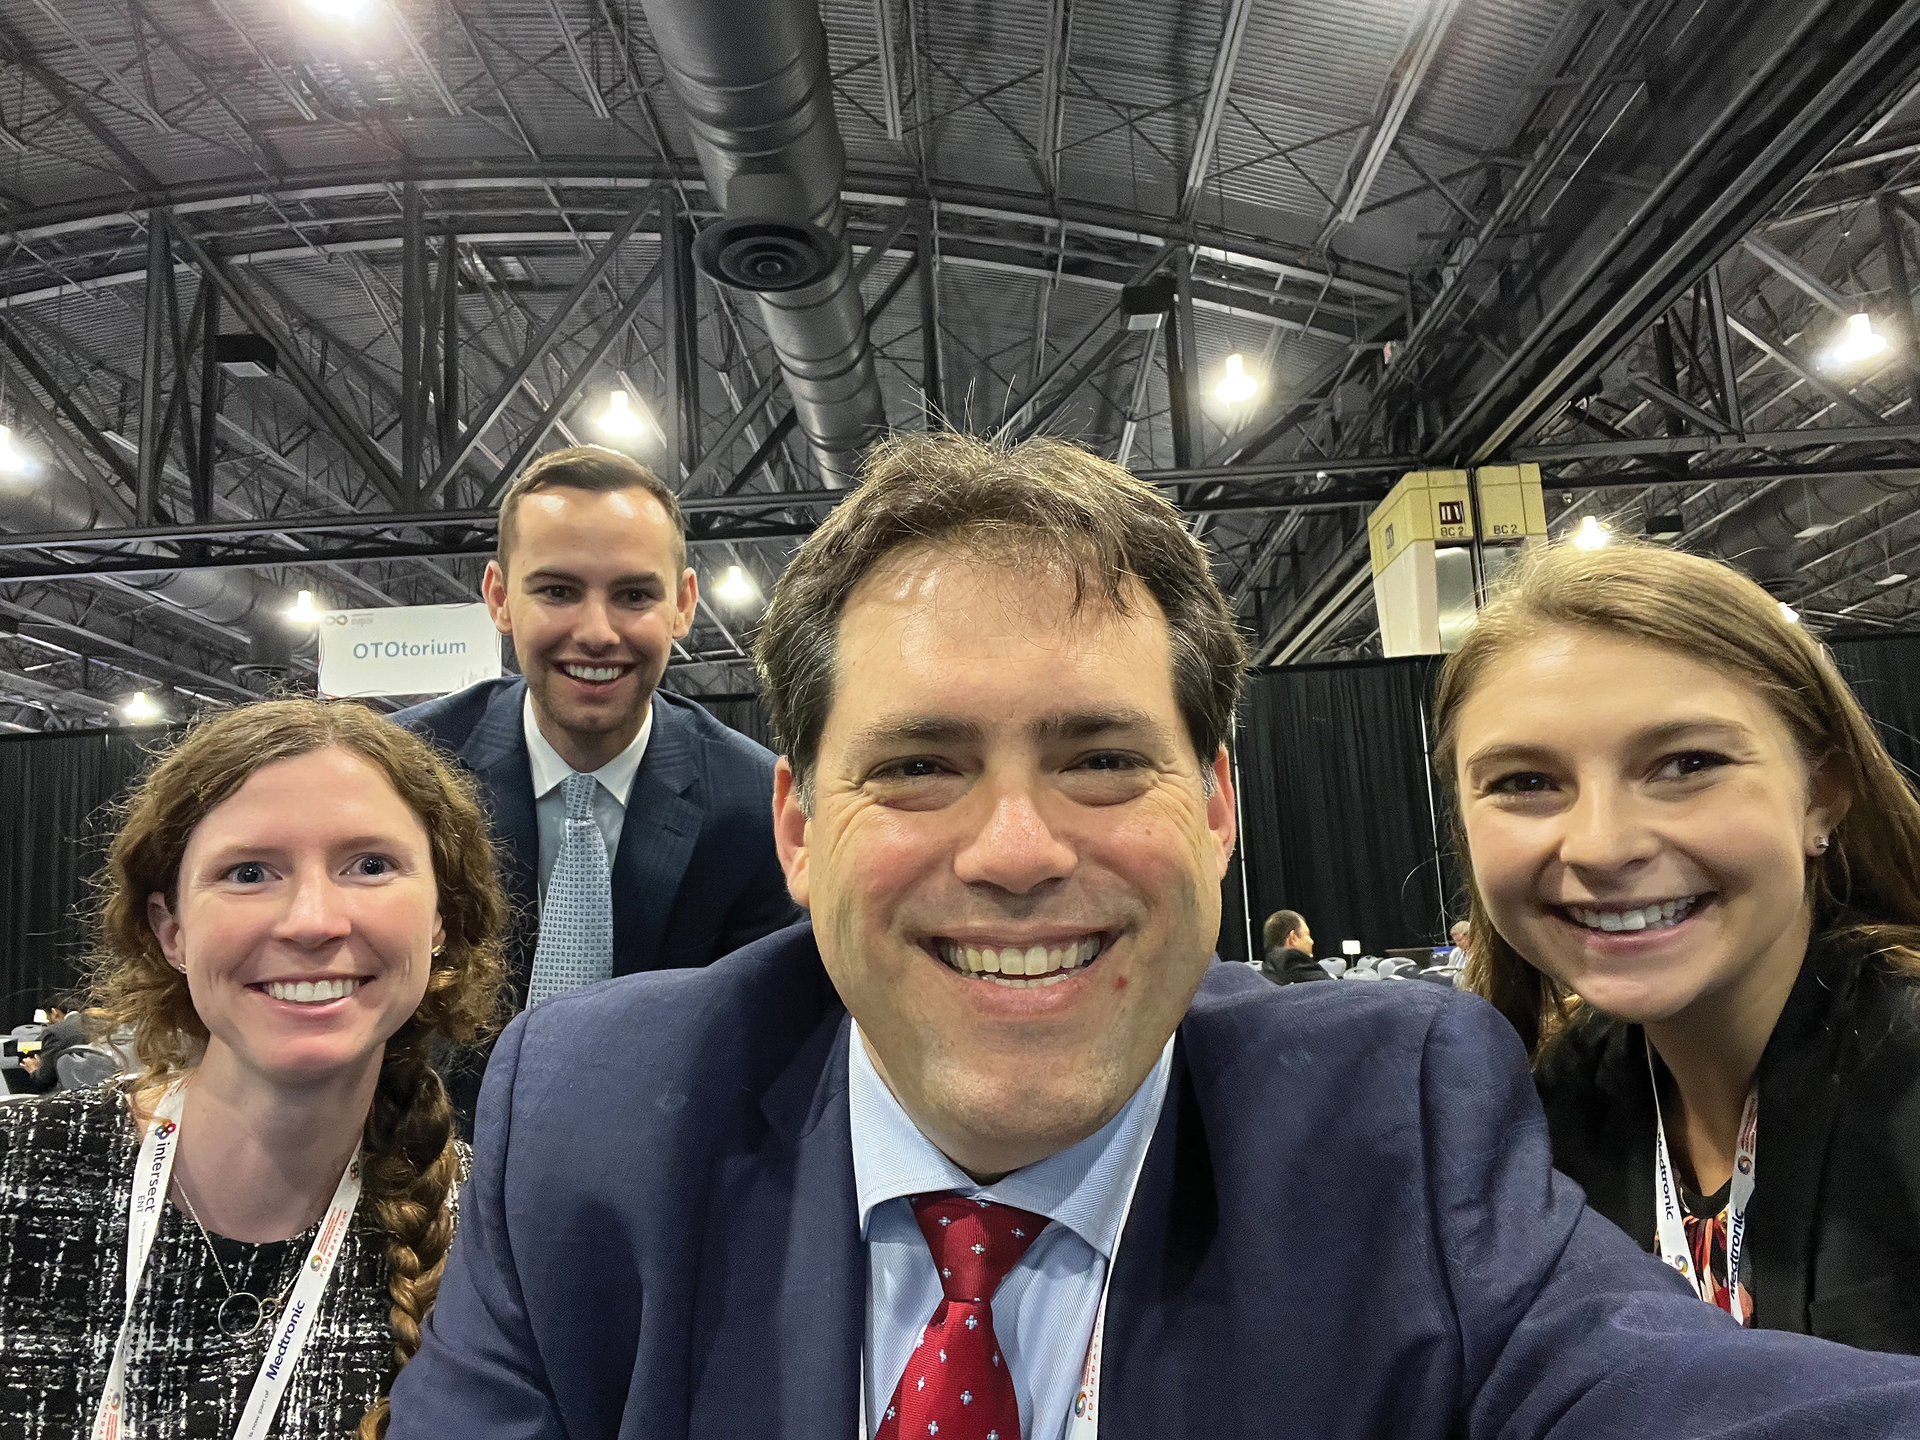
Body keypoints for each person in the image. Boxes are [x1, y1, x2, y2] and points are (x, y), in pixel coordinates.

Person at [388, 434, 1920, 1439]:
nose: (1014, 853)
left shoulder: (1393, 1119)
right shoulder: (593, 1127)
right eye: (918, 767)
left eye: (1101, 759)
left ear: (1218, 812)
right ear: (797, 828)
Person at [1438, 541, 1920, 1354]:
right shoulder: (1537, 1128)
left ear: (1823, 797)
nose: (1600, 845)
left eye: (1688, 763)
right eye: (1525, 782)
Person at [0, 699, 508, 1438]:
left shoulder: (495, 1245)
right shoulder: (18, 1169)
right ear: (171, 931)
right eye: (247, 872)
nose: (311, 920)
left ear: (440, 921)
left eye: (370, 865)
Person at [394, 446, 798, 1125]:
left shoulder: (754, 806)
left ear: (683, 605)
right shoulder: (404, 777)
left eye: (634, 595)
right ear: (499, 598)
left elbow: (761, 1050)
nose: (597, 632)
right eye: (557, 591)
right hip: (425, 1160)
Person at [1258, 907, 1323, 984]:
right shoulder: (1321, 981)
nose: (1311, 941)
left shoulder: (1255, 982)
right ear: (1293, 938)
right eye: (1307, 935)